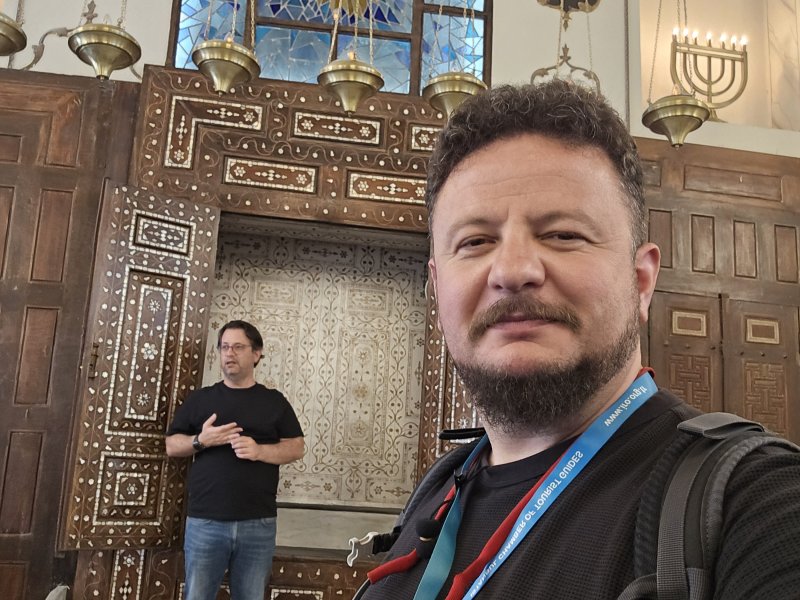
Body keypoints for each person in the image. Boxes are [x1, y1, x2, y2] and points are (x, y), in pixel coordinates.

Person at [359, 80, 800, 599]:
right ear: (437, 289)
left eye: (563, 235)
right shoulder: (440, 488)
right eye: (475, 241)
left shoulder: (756, 502)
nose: (513, 271)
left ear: (641, 281)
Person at [166, 319, 305, 600]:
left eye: (238, 347)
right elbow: (171, 445)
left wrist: (259, 451)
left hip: (258, 523)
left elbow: (296, 447)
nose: (229, 353)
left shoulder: (274, 401)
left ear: (256, 354)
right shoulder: (201, 399)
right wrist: (201, 440)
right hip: (205, 522)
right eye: (224, 347)